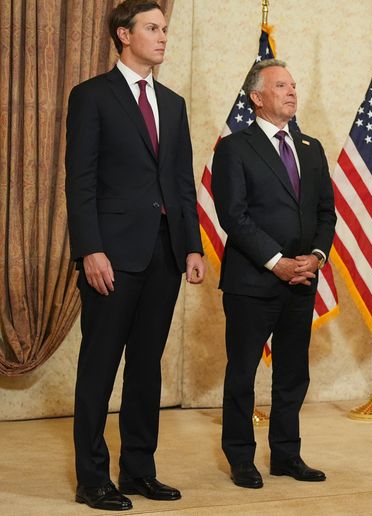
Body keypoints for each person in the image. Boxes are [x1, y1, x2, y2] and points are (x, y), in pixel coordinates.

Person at [65, 0, 205, 511]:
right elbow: (79, 184)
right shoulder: (91, 97)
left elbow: (182, 184)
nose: (163, 37)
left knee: (146, 368)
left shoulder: (173, 103)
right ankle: (92, 480)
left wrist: (191, 245)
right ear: (124, 35)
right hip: (112, 256)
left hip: (165, 255)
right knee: (99, 367)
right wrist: (90, 250)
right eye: (152, 28)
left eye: (165, 28)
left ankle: (139, 470)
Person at [211, 59, 336, 490]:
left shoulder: (311, 146)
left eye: (294, 85)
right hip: (253, 281)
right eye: (281, 85)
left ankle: (286, 455)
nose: (291, 91)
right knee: (243, 373)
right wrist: (276, 262)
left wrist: (316, 256)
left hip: (302, 280)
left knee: (292, 374)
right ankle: (241, 458)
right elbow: (233, 215)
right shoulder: (234, 148)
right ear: (257, 97)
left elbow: (325, 212)